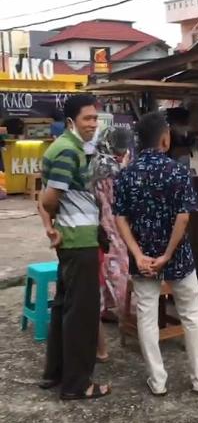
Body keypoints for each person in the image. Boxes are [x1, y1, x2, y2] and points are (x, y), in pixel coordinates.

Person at [114, 111, 198, 396]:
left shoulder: (126, 174)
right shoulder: (178, 171)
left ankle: (158, 381)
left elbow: (120, 218)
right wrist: (168, 254)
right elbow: (183, 218)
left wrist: (137, 254)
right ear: (165, 138)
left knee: (146, 317)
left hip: (143, 259)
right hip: (179, 258)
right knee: (191, 316)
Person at [38, 93, 111, 400]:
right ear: (71, 121)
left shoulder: (67, 148)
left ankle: (55, 373)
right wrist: (54, 222)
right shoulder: (68, 151)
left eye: (95, 118)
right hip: (79, 241)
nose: (92, 124)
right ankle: (78, 384)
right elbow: (49, 198)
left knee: (63, 308)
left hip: (72, 240)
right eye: (87, 119)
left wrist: (54, 228)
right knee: (81, 314)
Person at [88, 126, 131, 361]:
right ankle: (127, 316)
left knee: (102, 270)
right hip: (112, 225)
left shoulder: (96, 160)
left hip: (95, 224)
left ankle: (106, 309)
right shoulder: (115, 168)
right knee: (119, 269)